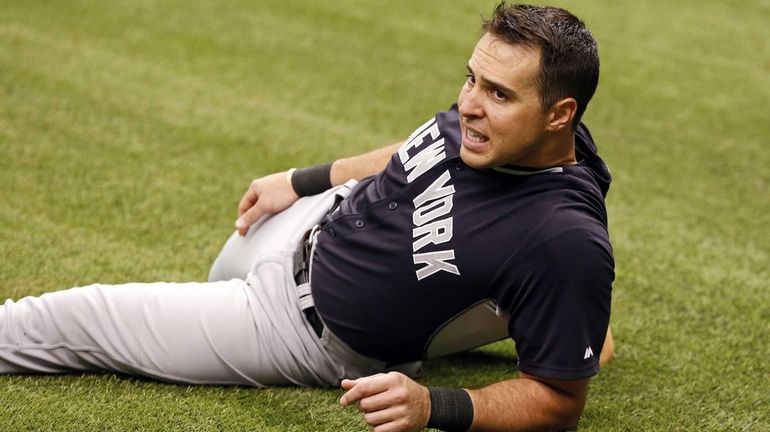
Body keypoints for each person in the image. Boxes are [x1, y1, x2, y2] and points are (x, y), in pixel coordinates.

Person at [0, 2, 614, 431]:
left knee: (71, 321)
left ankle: (567, 327)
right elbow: (408, 152)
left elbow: (559, 401)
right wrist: (301, 181)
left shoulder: (561, 239)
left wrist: (436, 407)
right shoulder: (493, 128)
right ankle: (565, 324)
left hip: (292, 331)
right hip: (300, 226)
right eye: (470, 79)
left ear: (561, 115)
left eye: (499, 94)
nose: (470, 105)